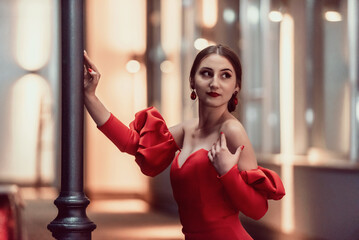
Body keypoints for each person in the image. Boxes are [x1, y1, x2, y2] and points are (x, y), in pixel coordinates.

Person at [83, 44, 285, 240]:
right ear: (192, 81)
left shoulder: (232, 131)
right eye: (206, 73)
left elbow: (258, 210)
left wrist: (228, 173)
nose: (215, 83)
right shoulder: (186, 130)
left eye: (225, 75)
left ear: (236, 87)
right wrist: (90, 96)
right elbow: (132, 143)